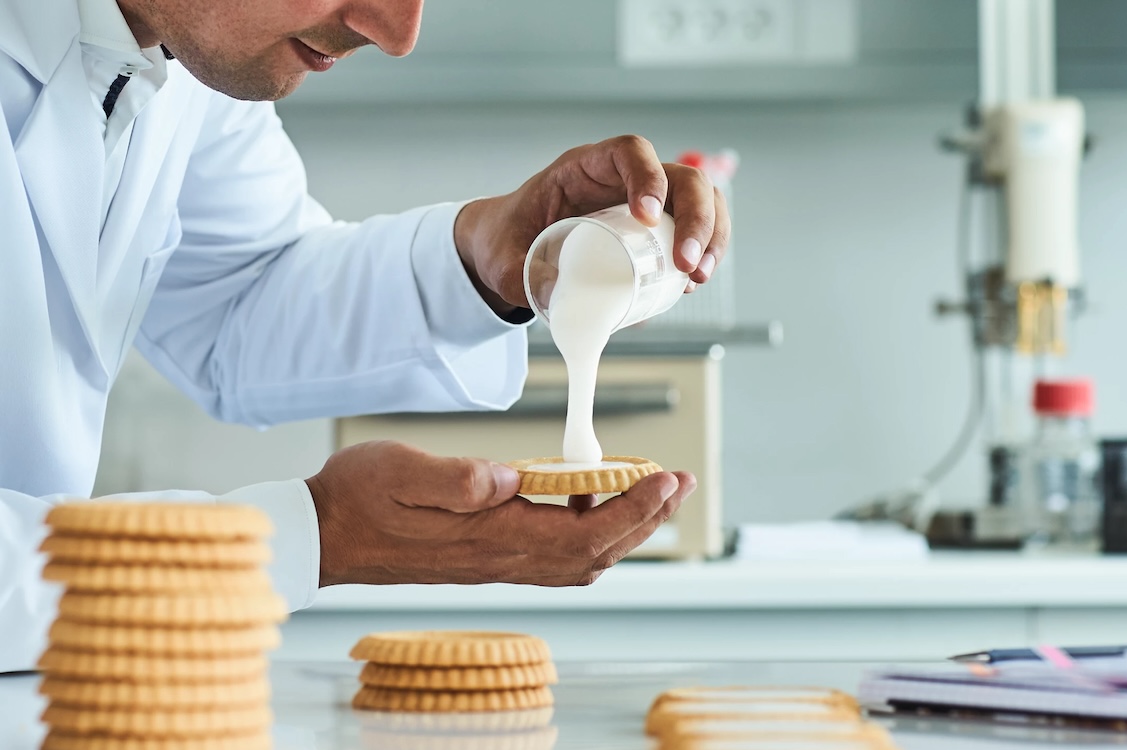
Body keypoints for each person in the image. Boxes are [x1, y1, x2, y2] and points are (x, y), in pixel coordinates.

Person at [0, 0, 730, 672]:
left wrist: (482, 257)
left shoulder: (180, 56)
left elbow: (243, 298)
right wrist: (311, 534)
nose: (395, 30)